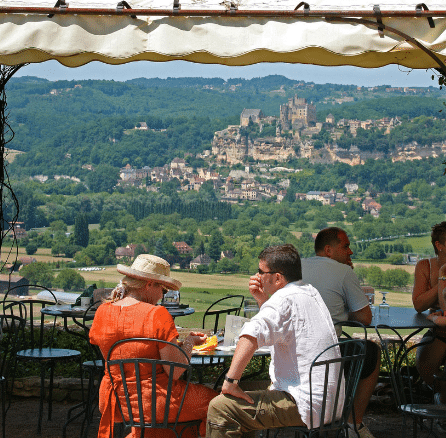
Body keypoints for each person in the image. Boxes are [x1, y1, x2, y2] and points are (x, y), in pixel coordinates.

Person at [207, 244, 343, 438]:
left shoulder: (284, 299)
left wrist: (230, 381)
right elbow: (280, 328)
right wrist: (264, 300)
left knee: (221, 407)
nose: (257, 276)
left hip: (305, 404)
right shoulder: (310, 292)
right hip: (332, 401)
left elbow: (251, 335)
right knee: (242, 395)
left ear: (277, 277)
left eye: (261, 272)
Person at [89, 254, 218, 438]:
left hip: (115, 401)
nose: (162, 296)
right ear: (149, 284)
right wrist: (189, 343)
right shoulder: (156, 314)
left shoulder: (103, 311)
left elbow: (117, 357)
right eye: (163, 290)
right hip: (155, 401)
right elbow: (175, 371)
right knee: (217, 404)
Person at [301, 227, 380, 438]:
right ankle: (354, 423)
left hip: (293, 357)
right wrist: (343, 313)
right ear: (328, 250)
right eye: (345, 246)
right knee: (371, 351)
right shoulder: (344, 272)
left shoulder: (296, 267)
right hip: (325, 357)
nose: (350, 252)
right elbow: (365, 318)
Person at [413, 221, 446, 404]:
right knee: (424, 363)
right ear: (439, 245)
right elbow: (418, 304)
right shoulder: (425, 266)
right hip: (438, 331)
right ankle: (441, 396)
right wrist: (442, 277)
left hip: (441, 324)